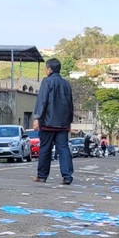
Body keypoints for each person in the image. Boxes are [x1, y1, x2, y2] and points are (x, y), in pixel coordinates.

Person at [32, 57, 74, 185]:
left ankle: (42, 176)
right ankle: (67, 176)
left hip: (48, 123)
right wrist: (69, 122)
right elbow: (70, 104)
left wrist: (37, 117)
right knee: (63, 149)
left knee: (45, 149)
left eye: (46, 68)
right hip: (63, 124)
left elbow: (42, 100)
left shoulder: (47, 81)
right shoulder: (66, 84)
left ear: (49, 69)